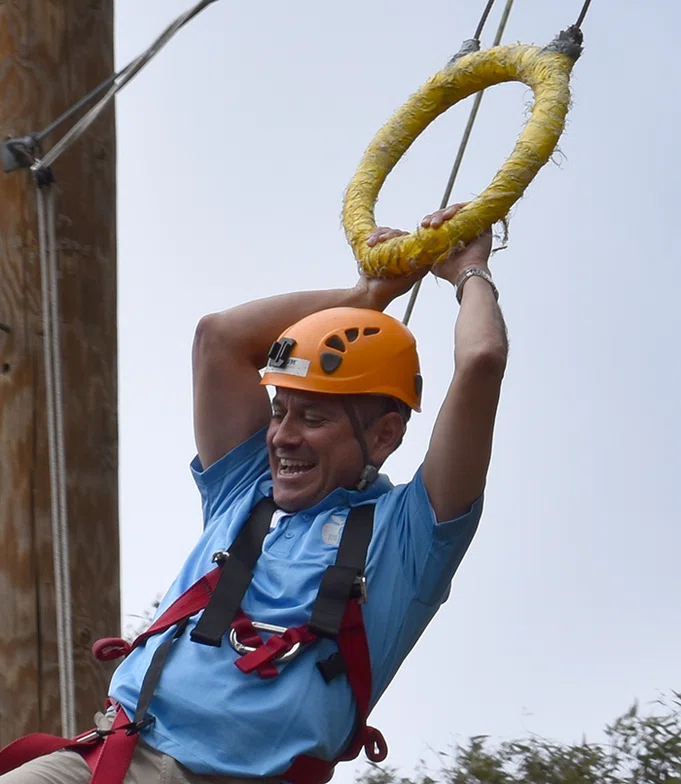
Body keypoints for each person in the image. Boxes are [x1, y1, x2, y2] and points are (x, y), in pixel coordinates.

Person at [1, 204, 508, 783]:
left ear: (384, 435)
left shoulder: (409, 537)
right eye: (279, 411)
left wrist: (470, 270)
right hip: (114, 763)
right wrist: (366, 294)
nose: (283, 436)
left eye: (313, 418)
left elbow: (481, 361)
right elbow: (218, 339)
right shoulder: (246, 489)